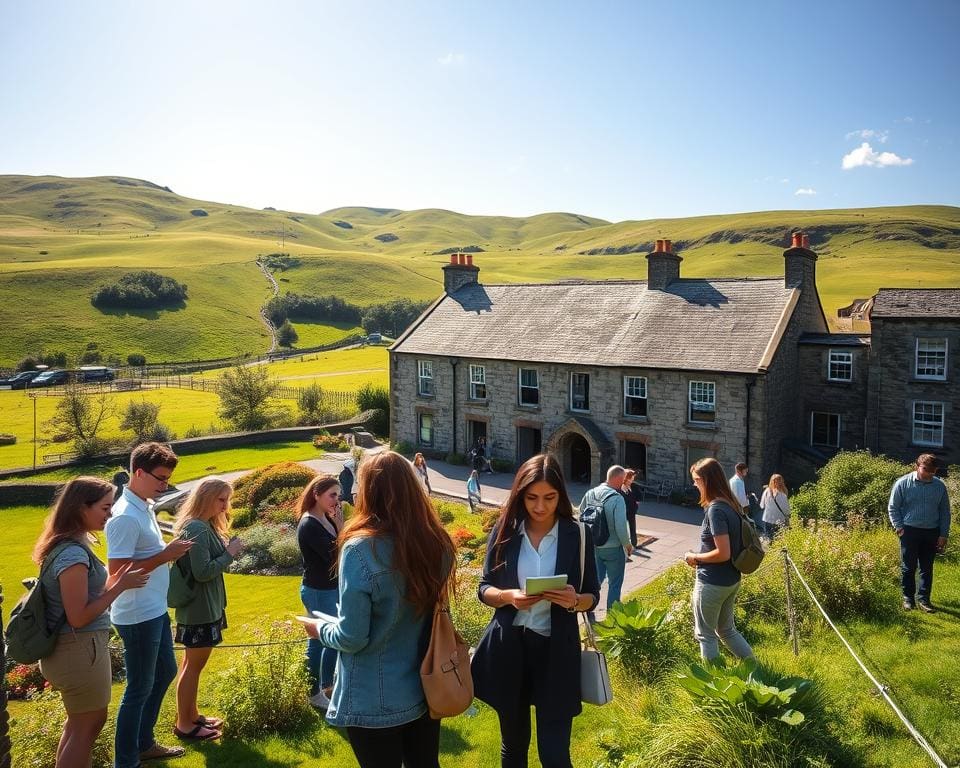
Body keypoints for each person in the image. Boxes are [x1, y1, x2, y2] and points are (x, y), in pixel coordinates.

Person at [309, 451, 456, 768]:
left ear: (370, 491)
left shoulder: (361, 549)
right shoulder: (437, 542)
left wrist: (319, 629)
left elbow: (352, 637)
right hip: (424, 686)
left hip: (373, 696)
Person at [471, 453, 600, 768]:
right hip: (510, 650)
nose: (540, 506)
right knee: (514, 748)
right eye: (531, 498)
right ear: (520, 495)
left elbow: (593, 596)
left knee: (554, 755)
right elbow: (484, 588)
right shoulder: (506, 529)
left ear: (561, 495)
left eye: (549, 497)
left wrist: (574, 600)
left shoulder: (578, 534)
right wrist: (508, 596)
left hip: (557, 653)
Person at [34, 477, 149, 768]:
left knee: (79, 726)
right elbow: (78, 616)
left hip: (75, 649)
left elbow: (86, 597)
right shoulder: (72, 554)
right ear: (80, 507)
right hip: (78, 649)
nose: (110, 514)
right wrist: (120, 586)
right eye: (105, 507)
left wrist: (117, 581)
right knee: (87, 726)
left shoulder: (68, 546)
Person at [106, 442, 194, 768]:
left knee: (165, 671)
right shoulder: (125, 517)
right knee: (139, 688)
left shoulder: (142, 505)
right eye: (160, 478)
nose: (165, 484)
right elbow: (118, 574)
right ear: (139, 472)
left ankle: (143, 744)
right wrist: (165, 555)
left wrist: (165, 553)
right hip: (136, 614)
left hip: (154, 608)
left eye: (168, 478)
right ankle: (127, 759)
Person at [170, 478, 243, 741]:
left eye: (227, 500)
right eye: (221, 500)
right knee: (193, 666)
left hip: (203, 607)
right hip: (199, 609)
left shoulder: (202, 526)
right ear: (206, 498)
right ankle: (184, 724)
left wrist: (224, 552)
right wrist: (229, 553)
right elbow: (202, 572)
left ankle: (191, 715)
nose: (225, 506)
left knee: (191, 665)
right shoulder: (197, 528)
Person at [683, 458, 754, 662]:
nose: (694, 484)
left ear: (707, 481)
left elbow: (723, 552)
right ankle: (755, 668)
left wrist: (694, 557)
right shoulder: (731, 504)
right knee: (726, 630)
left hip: (712, 582)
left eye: (697, 480)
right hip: (731, 579)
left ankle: (712, 679)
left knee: (705, 635)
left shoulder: (715, 510)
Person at [296, 474, 344, 710]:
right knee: (319, 641)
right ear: (316, 495)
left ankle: (327, 686)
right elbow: (334, 556)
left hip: (329, 588)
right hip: (317, 590)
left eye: (338, 495)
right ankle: (314, 692)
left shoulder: (326, 518)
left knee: (331, 640)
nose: (337, 500)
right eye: (332, 495)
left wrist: (339, 525)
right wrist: (342, 528)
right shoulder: (309, 524)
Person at [888, 453, 952, 613]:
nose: (929, 473)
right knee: (908, 567)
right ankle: (908, 599)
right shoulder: (902, 483)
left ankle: (924, 600)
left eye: (932, 471)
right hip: (909, 531)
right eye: (926, 469)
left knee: (926, 568)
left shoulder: (940, 486)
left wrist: (943, 534)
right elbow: (893, 507)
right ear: (917, 466)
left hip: (932, 532)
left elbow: (945, 511)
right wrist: (899, 527)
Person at [582, 466, 631, 612]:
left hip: (594, 546)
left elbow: (581, 516)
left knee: (596, 580)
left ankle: (586, 607)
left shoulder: (590, 493)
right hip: (613, 548)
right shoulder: (617, 499)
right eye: (623, 480)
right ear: (619, 479)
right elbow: (621, 527)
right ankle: (613, 616)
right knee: (615, 584)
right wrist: (627, 545)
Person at [620, 469, 643, 557]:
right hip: (623, 511)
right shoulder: (620, 487)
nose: (632, 480)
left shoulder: (634, 486)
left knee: (633, 527)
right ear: (626, 478)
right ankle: (625, 544)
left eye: (633, 478)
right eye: (631, 478)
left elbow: (639, 496)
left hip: (632, 511)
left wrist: (637, 502)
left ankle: (634, 543)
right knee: (624, 528)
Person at [759, 474, 790, 539]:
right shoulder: (783, 494)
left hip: (767, 519)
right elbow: (786, 510)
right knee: (779, 539)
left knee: (769, 539)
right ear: (782, 482)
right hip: (779, 520)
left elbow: (762, 505)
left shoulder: (767, 491)